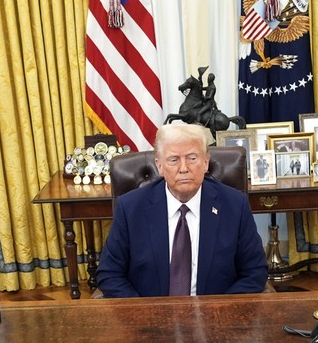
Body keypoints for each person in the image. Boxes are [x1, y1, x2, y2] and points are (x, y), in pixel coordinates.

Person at [97, 124, 269, 297]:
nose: (184, 168)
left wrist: (219, 311)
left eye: (192, 158)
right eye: (173, 160)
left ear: (205, 162)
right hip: (149, 317)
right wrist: (145, 314)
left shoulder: (234, 205)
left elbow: (255, 272)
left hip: (214, 316)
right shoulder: (130, 208)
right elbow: (109, 274)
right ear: (160, 166)